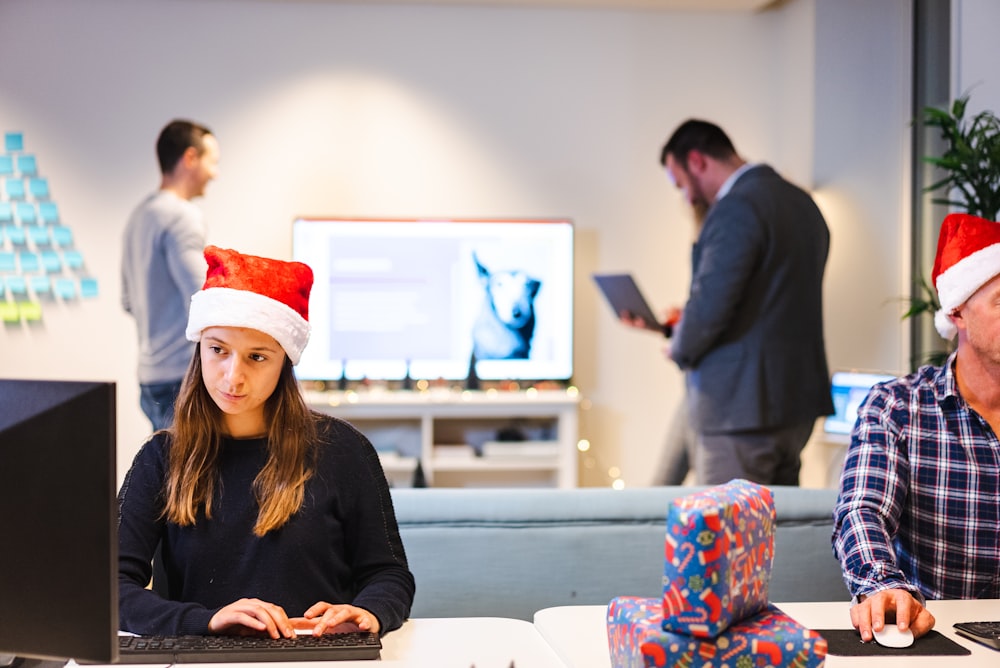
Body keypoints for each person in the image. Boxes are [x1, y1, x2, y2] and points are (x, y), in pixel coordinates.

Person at [118, 246, 415, 638]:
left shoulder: (344, 450)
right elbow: (112, 589)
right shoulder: (160, 459)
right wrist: (206, 620)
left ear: (284, 364)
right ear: (199, 348)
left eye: (257, 357)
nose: (232, 377)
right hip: (206, 662)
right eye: (218, 350)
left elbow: (389, 574)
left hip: (321, 660)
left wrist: (368, 611)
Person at [832, 212, 1000, 642]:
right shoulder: (897, 407)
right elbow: (861, 510)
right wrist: (883, 585)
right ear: (958, 312)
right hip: (938, 639)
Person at [656, 118, 833, 486]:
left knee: (728, 535)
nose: (687, 198)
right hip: (796, 405)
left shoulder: (735, 208)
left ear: (698, 161)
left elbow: (709, 307)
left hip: (741, 410)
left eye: (681, 184)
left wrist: (680, 347)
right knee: (774, 532)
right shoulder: (803, 203)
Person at [122, 119, 220, 431]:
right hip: (181, 379)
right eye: (212, 162)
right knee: (190, 478)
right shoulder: (182, 217)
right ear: (190, 158)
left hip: (150, 378)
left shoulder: (139, 216)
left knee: (168, 473)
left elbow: (127, 301)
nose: (214, 174)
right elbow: (201, 300)